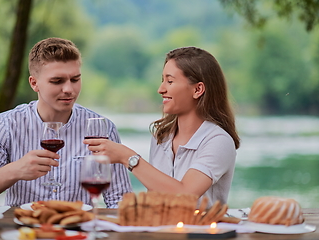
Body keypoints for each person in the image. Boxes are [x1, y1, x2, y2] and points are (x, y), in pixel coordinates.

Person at [0, 37, 132, 208]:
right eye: (57, 81)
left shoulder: (102, 129)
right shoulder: (6, 125)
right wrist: (15, 170)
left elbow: (121, 202)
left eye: (75, 79)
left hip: (78, 231)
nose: (69, 89)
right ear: (34, 83)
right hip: (22, 232)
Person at [84, 47, 240, 207]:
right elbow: (155, 198)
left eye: (170, 81)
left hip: (200, 232)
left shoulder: (219, 141)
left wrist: (128, 157)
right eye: (162, 80)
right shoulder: (161, 137)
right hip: (160, 231)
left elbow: (185, 194)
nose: (161, 89)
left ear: (198, 89)